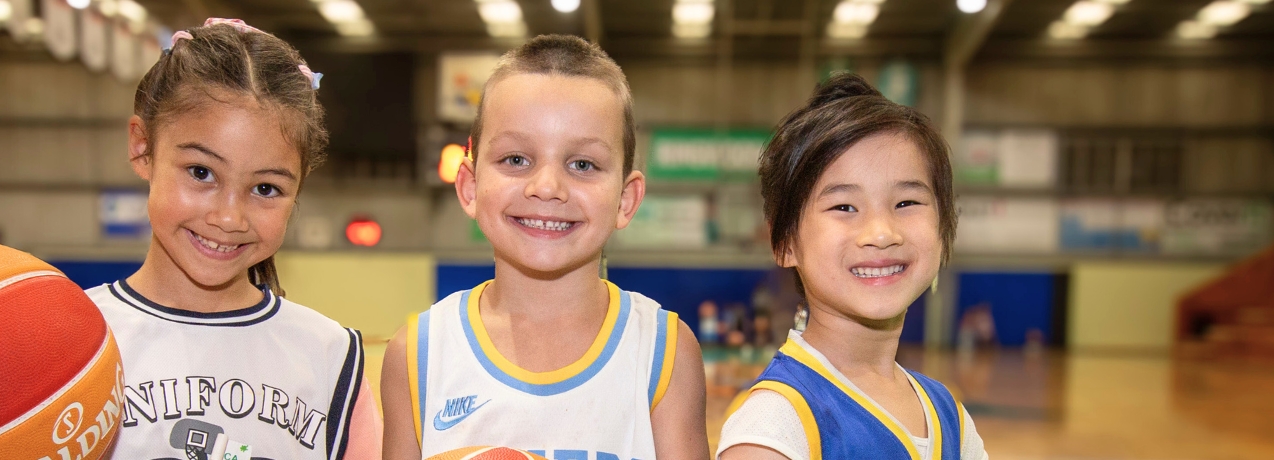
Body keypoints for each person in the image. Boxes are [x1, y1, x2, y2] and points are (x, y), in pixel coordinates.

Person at [381, 35, 707, 460]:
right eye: (516, 159)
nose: (548, 187)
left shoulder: (663, 352)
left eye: (583, 164)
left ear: (626, 200)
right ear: (470, 186)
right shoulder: (418, 353)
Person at [81, 18, 379, 460]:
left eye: (265, 189)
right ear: (143, 147)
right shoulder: (75, 342)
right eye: (201, 173)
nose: (227, 217)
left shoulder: (329, 357)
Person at [716, 73, 988, 460]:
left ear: (944, 227)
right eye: (844, 207)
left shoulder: (950, 417)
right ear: (784, 242)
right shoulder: (773, 427)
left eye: (907, 202)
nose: (880, 233)